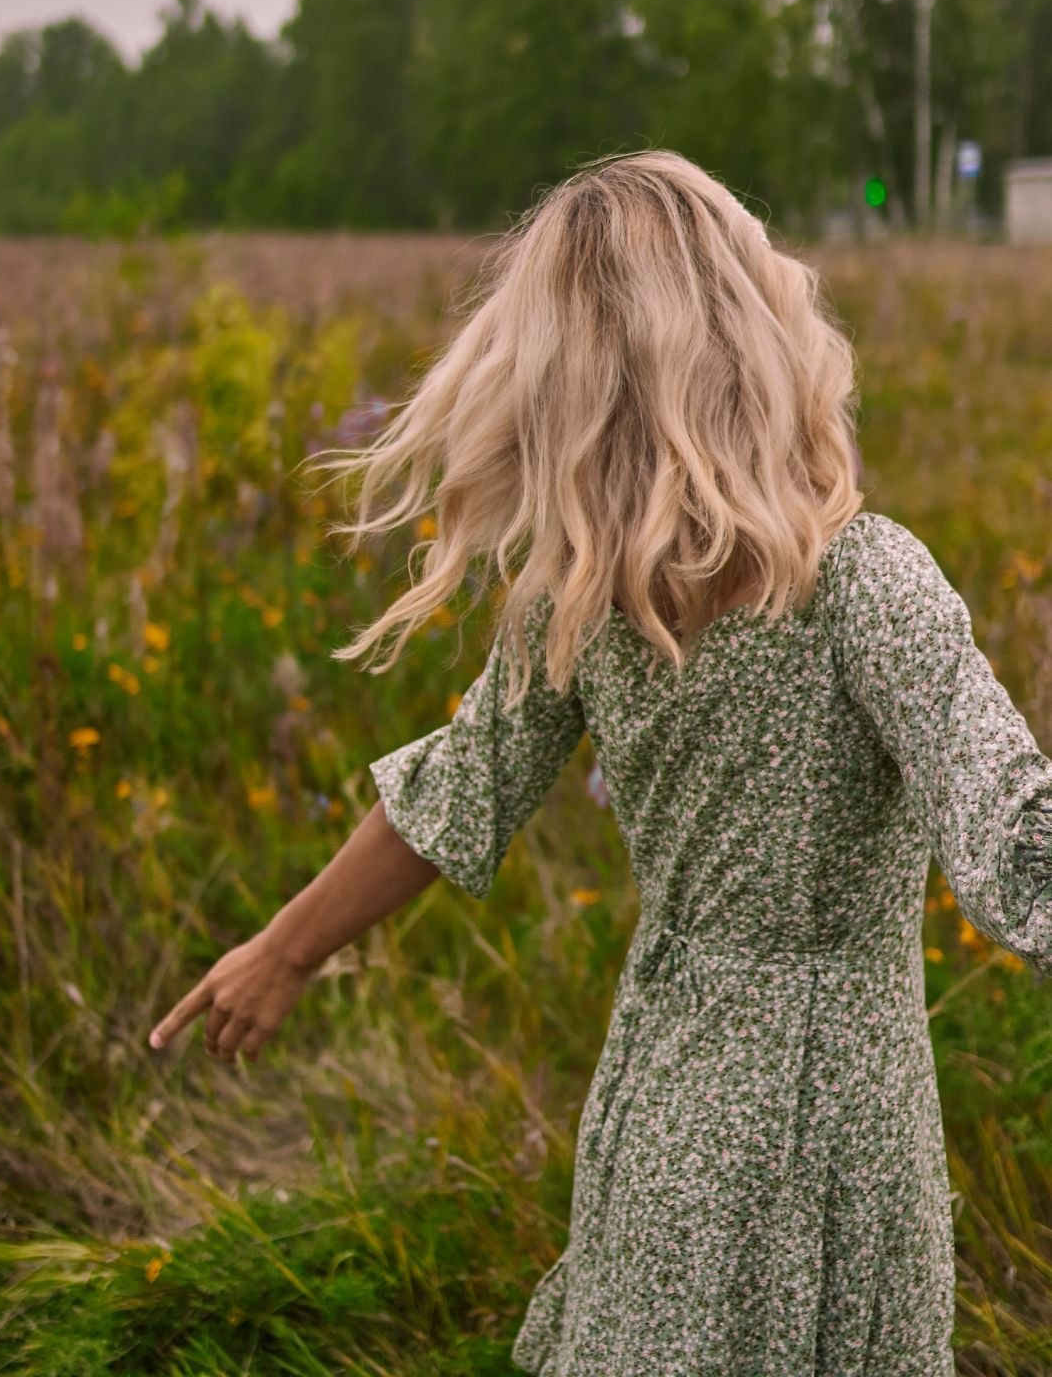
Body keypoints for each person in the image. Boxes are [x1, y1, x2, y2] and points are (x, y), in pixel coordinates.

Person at [148, 149, 1052, 1375]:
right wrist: (282, 951)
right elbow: (1014, 842)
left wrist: (283, 951)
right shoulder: (860, 578)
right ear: (752, 329)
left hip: (663, 1111)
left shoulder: (583, 598)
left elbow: (451, 801)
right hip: (838, 1124)